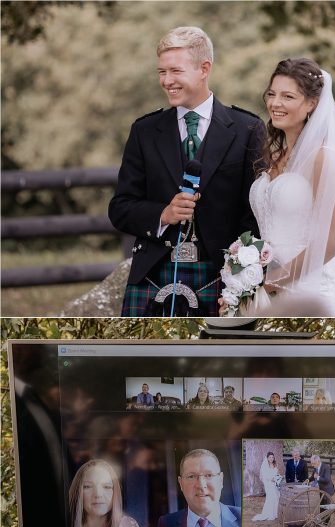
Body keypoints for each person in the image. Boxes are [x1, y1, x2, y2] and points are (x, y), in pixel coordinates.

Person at [109, 26, 263, 317]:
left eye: (175, 71)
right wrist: (163, 214)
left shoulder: (247, 129)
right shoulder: (144, 131)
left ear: (204, 68)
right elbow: (120, 208)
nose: (167, 81)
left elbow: (253, 215)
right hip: (154, 272)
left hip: (222, 278)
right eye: (161, 72)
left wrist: (241, 281)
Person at [233, 57, 335, 317]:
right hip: (268, 287)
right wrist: (246, 284)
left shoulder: (323, 158)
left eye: (288, 96)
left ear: (312, 104)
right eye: (272, 94)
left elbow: (334, 239)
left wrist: (275, 282)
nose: (275, 103)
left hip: (312, 290)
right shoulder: (275, 157)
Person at [157, 449, 241, 527]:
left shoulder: (246, 519)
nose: (201, 485)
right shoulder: (166, 523)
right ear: (181, 483)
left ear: (221, 480)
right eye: (191, 476)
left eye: (209, 475)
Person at [69, 459, 142, 527]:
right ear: (78, 492)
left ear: (115, 491)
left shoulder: (126, 525)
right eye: (88, 486)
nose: (98, 495)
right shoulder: (65, 526)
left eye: (107, 487)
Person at [252, 451, 281, 521]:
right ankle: (270, 513)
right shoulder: (265, 465)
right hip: (268, 484)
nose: (271, 458)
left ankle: (276, 513)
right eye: (270, 457)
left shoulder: (275, 464)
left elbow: (277, 473)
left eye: (272, 457)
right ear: (267, 458)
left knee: (276, 496)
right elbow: (265, 475)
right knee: (271, 497)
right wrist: (272, 479)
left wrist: (277, 479)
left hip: (275, 483)